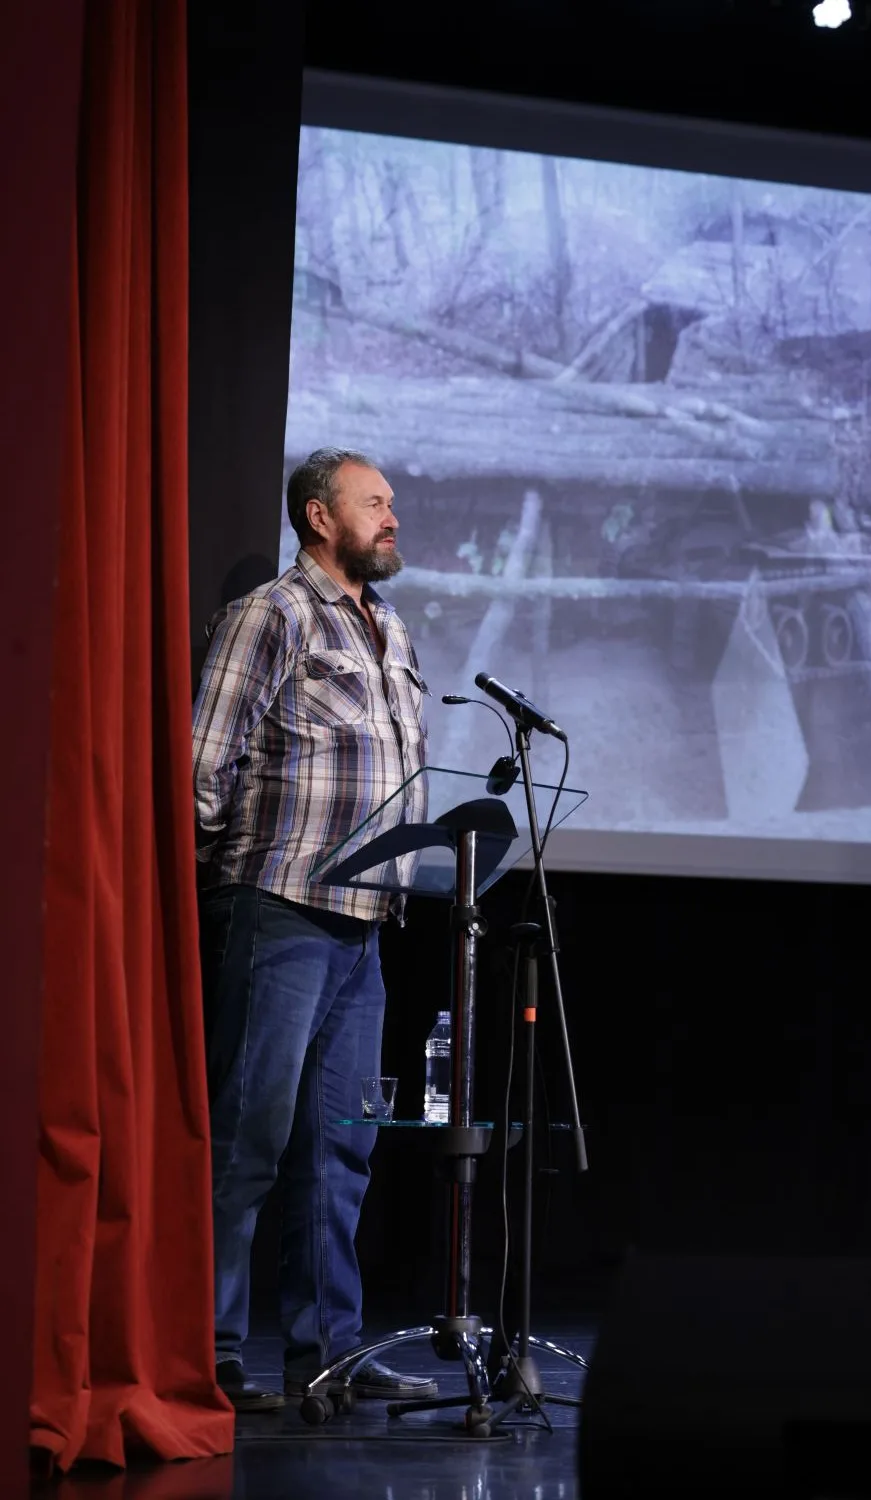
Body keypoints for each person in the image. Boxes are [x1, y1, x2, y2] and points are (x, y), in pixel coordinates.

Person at [192, 447, 438, 1411]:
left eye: (392, 503)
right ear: (318, 517)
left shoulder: (392, 629)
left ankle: (327, 1354)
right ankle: (205, 1353)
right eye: (374, 503)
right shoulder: (272, 615)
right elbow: (201, 765)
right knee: (248, 1141)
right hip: (279, 910)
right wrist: (210, 889)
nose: (392, 517)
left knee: (341, 1150)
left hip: (364, 924)